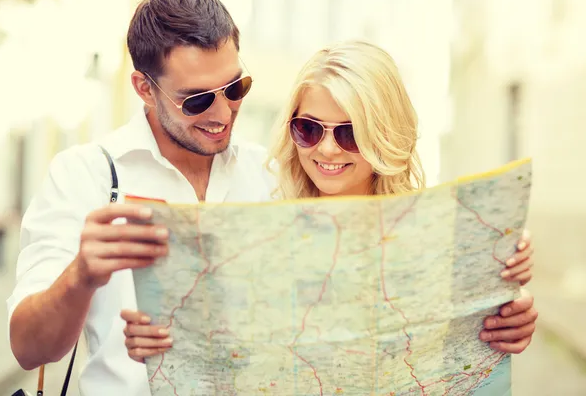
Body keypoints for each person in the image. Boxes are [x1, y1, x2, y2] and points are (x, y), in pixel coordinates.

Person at [121, 40, 538, 369]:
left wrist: (507, 314)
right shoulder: (256, 233)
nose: (326, 150)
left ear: (383, 134)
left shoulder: (440, 237)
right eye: (308, 128)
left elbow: (472, 346)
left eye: (349, 133)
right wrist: (164, 344)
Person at [6, 0, 274, 395]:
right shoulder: (85, 175)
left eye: (235, 88)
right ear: (144, 88)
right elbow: (28, 349)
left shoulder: (270, 173)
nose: (222, 113)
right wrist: (80, 276)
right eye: (197, 99)